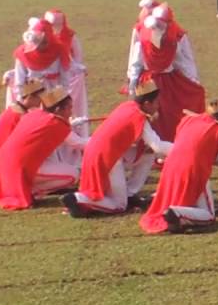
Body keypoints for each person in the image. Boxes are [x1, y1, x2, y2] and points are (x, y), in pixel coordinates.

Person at [140, 99, 218, 234]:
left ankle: (176, 211)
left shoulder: (189, 121)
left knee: (191, 199)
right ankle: (176, 212)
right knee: (209, 216)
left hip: (171, 166)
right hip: (193, 171)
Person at [63, 80, 172, 216]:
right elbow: (158, 146)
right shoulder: (138, 116)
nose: (158, 106)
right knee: (119, 205)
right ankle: (78, 199)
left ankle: (130, 194)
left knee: (147, 154)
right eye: (156, 102)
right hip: (106, 157)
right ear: (147, 103)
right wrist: (183, 148)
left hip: (101, 153)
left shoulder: (128, 106)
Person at [0, 86, 86, 211]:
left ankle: (29, 188)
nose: (71, 112)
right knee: (74, 175)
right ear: (58, 109)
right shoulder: (55, 123)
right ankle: (34, 191)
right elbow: (80, 143)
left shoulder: (35, 114)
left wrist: (72, 124)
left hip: (4, 163)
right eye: (69, 108)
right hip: (18, 165)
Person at [128, 4, 206, 142]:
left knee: (170, 114)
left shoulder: (177, 36)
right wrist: (133, 82)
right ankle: (149, 145)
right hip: (149, 81)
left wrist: (193, 80)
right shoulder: (143, 34)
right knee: (150, 115)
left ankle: (170, 144)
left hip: (167, 80)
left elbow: (184, 61)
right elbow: (136, 61)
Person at [43, 9, 88, 132]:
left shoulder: (69, 36)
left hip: (67, 77)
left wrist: (77, 69)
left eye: (59, 24)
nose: (56, 27)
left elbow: (76, 57)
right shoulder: (42, 39)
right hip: (48, 81)